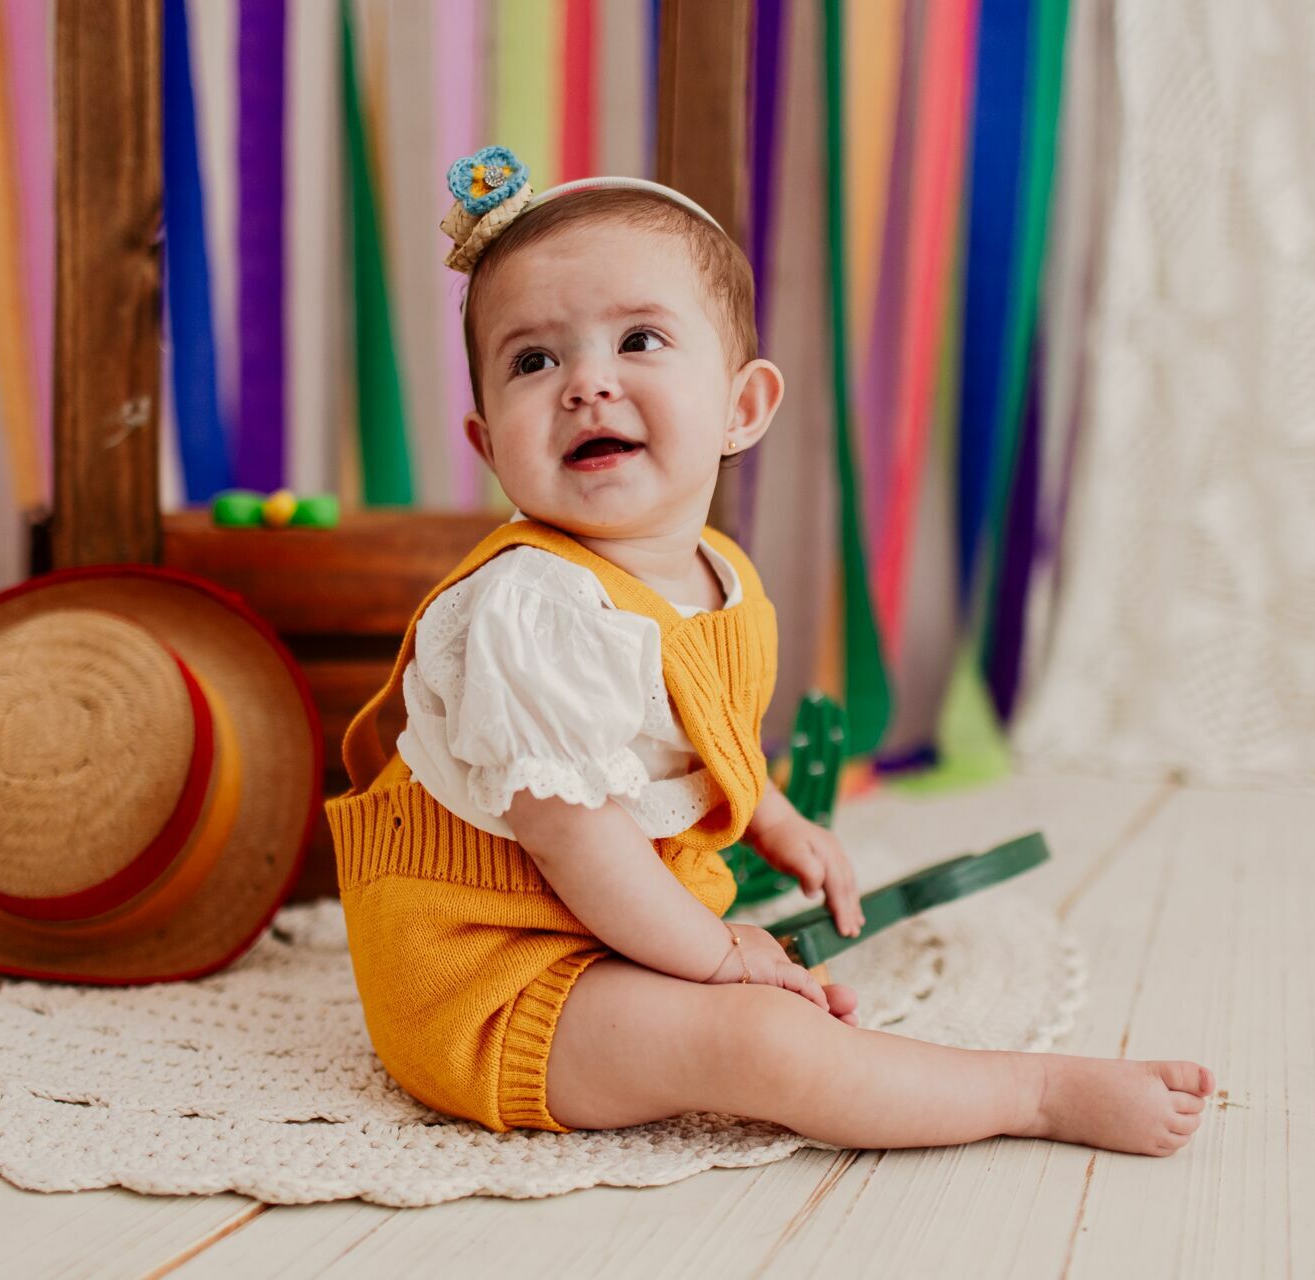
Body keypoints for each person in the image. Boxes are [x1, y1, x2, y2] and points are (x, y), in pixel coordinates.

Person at [326, 146, 1214, 1154]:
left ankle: (855, 1042)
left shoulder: (713, 570)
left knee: (765, 1007)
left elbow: (699, 736)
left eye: (639, 339)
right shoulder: (530, 609)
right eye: (535, 360)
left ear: (742, 406)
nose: (586, 384)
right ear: (490, 445)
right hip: (493, 975)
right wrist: (716, 957)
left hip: (605, 919)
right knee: (762, 1041)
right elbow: (579, 839)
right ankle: (1031, 1094)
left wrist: (774, 817)